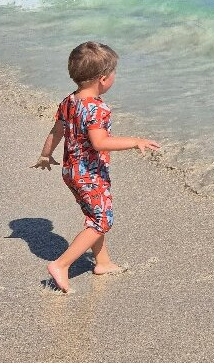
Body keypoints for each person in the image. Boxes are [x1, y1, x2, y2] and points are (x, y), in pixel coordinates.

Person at [33, 42, 160, 293]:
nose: (114, 78)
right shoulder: (97, 108)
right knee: (102, 221)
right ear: (103, 79)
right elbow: (100, 142)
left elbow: (57, 130)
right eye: (114, 73)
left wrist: (45, 154)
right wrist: (135, 141)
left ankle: (102, 262)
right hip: (89, 174)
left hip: (71, 171)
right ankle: (61, 264)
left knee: (94, 216)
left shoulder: (69, 101)